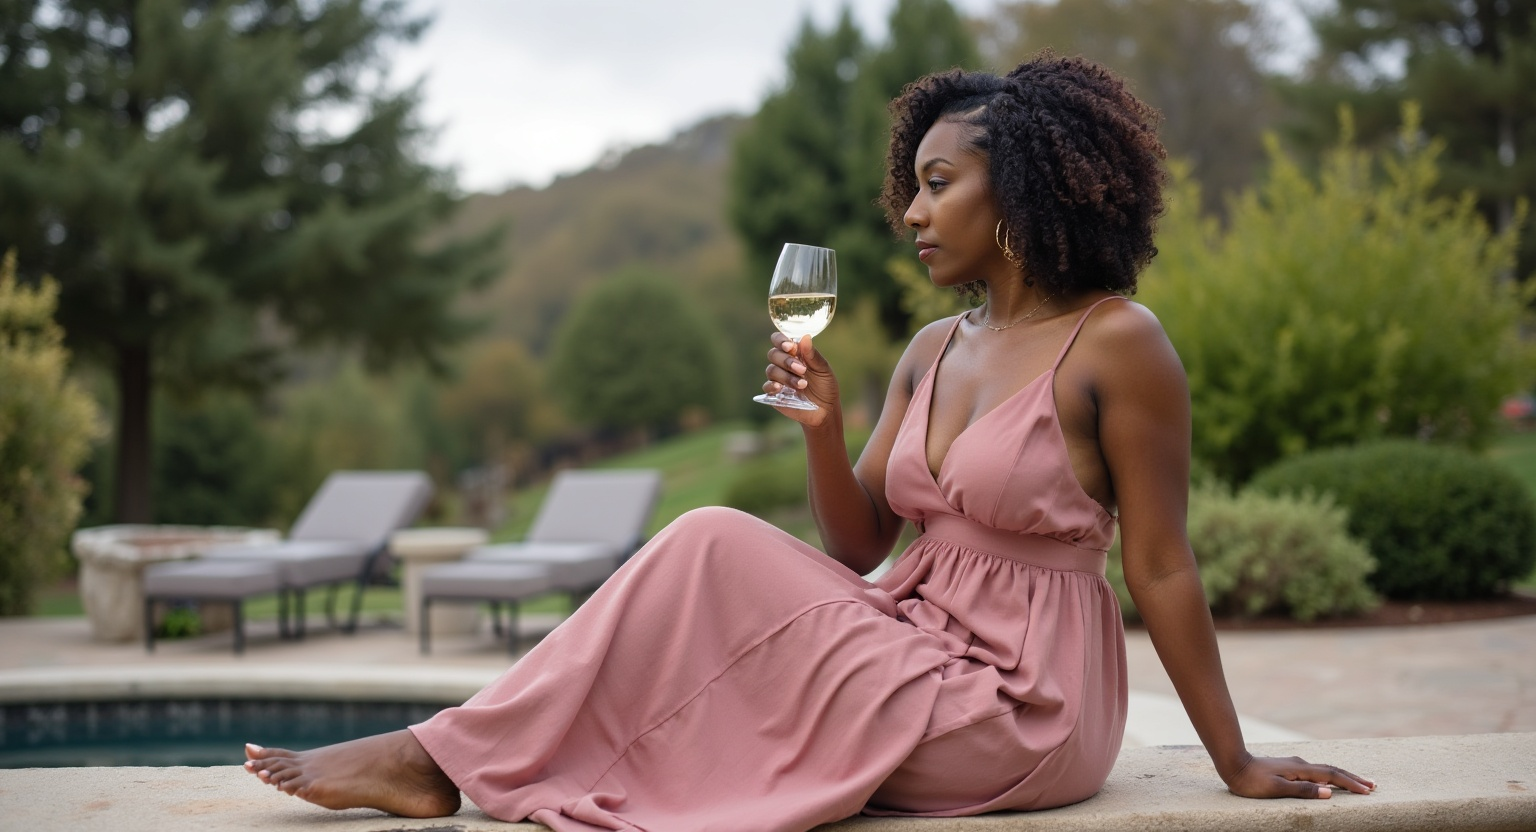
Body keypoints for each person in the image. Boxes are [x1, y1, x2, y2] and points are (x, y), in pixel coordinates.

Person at [241, 54, 1374, 830]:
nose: (913, 214)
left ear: (1019, 189)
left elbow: (1162, 562)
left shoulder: (1120, 344)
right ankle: (449, 754)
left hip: (1028, 703)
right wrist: (825, 430)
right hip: (911, 639)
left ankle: (436, 757)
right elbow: (853, 545)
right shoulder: (935, 350)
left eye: (938, 186)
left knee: (708, 550)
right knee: (708, 540)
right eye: (911, 190)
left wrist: (1235, 759)